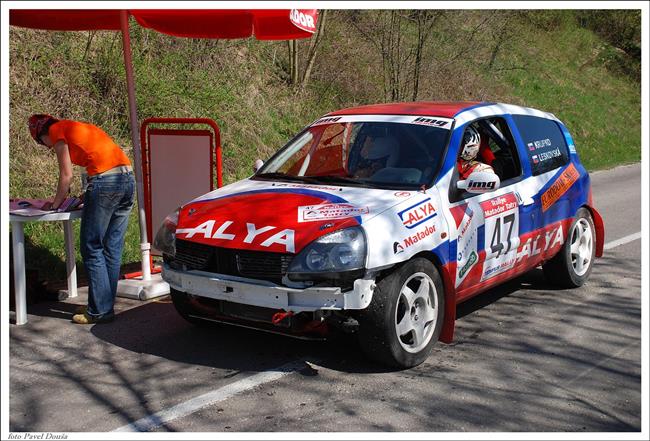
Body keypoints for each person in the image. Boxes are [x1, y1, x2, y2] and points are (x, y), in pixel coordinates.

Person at [28, 114, 135, 324]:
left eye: (42, 143)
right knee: (111, 247)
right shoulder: (77, 126)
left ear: (42, 134)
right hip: (127, 179)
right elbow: (102, 159)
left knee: (92, 246)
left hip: (105, 182)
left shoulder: (56, 131)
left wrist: (56, 203)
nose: (47, 147)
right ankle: (103, 305)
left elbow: (66, 175)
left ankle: (98, 311)